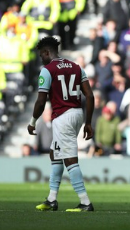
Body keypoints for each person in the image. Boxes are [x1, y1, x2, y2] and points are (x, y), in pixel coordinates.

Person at [27, 36, 95, 212]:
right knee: (55, 154)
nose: (41, 58)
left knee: (70, 159)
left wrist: (33, 122)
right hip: (77, 114)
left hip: (62, 116)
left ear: (47, 52)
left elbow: (41, 101)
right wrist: (88, 122)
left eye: (42, 55)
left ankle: (85, 202)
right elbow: (90, 95)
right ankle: (51, 199)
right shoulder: (77, 67)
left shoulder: (47, 70)